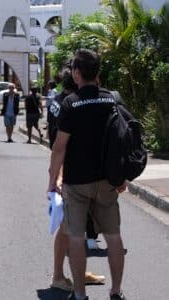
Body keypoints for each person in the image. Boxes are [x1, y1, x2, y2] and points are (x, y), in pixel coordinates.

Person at [47, 49, 127, 300]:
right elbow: (123, 138)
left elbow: (59, 147)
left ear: (77, 73)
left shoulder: (71, 104)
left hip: (77, 182)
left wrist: (52, 181)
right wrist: (122, 175)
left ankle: (80, 294)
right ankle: (116, 291)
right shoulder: (112, 100)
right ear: (98, 73)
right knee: (113, 236)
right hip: (107, 180)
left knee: (75, 236)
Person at [48, 67, 105, 293]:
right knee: (67, 228)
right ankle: (59, 275)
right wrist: (58, 177)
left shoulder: (62, 102)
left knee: (74, 228)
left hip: (69, 170)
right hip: (68, 172)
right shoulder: (69, 104)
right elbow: (59, 144)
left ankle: (75, 273)